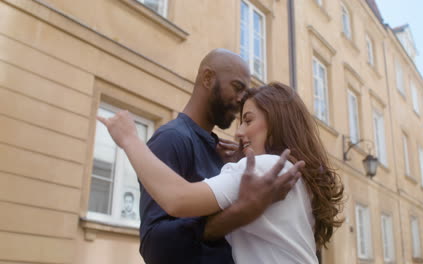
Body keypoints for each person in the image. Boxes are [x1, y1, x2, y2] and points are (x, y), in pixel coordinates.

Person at [98, 82, 345, 263]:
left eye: (248, 121)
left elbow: (177, 198)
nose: (239, 133)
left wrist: (129, 139)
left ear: (278, 122)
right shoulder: (297, 176)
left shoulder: (265, 168)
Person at [123, 49, 303, 264]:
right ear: (207, 78)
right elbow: (156, 248)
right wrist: (237, 214)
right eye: (237, 88)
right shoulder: (172, 139)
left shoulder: (226, 154)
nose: (240, 100)